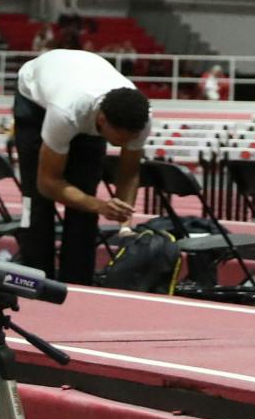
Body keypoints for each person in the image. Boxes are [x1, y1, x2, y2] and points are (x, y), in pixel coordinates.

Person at [12, 48, 152, 284]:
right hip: (34, 100)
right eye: (121, 139)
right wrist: (100, 205)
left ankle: (78, 282)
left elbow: (128, 174)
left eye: (132, 138)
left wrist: (124, 223)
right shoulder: (66, 112)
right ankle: (34, 275)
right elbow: (48, 183)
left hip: (83, 85)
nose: (127, 144)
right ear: (102, 121)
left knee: (86, 195)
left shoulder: (141, 119)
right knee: (34, 199)